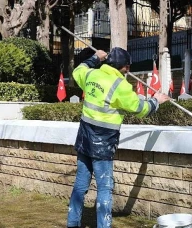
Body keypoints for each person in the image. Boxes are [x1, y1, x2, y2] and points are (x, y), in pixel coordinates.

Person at [67, 47, 170, 228]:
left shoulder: (92, 74)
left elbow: (78, 70)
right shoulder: (120, 85)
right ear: (125, 67)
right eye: (127, 67)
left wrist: (94, 58)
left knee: (80, 185)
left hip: (84, 140)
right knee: (105, 188)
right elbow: (141, 109)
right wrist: (156, 100)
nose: (128, 71)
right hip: (103, 144)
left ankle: (73, 224)